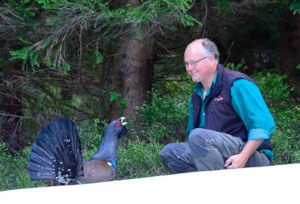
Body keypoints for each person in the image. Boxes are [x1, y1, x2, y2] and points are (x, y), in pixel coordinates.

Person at [160, 38, 275, 173]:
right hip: (217, 155)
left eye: (193, 62)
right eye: (186, 64)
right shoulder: (197, 95)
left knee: (198, 137)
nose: (189, 68)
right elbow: (193, 137)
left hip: (252, 156)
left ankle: (217, 189)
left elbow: (263, 126)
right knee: (170, 153)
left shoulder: (237, 84)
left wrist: (243, 157)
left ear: (212, 59)